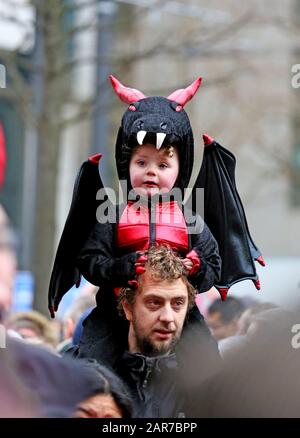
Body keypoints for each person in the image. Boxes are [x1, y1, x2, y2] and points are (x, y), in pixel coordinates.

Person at [49, 76, 221, 364]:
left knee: (209, 368)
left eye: (163, 164)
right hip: (114, 316)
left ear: (182, 169)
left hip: (178, 318)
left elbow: (214, 262)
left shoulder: (190, 219)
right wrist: (121, 268)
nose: (151, 172)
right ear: (125, 165)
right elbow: (90, 259)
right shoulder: (112, 215)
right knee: (91, 368)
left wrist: (197, 266)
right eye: (142, 162)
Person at [98, 245, 220, 418]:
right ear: (128, 308)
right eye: (154, 302)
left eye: (178, 303)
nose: (168, 317)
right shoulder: (85, 378)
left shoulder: (212, 385)